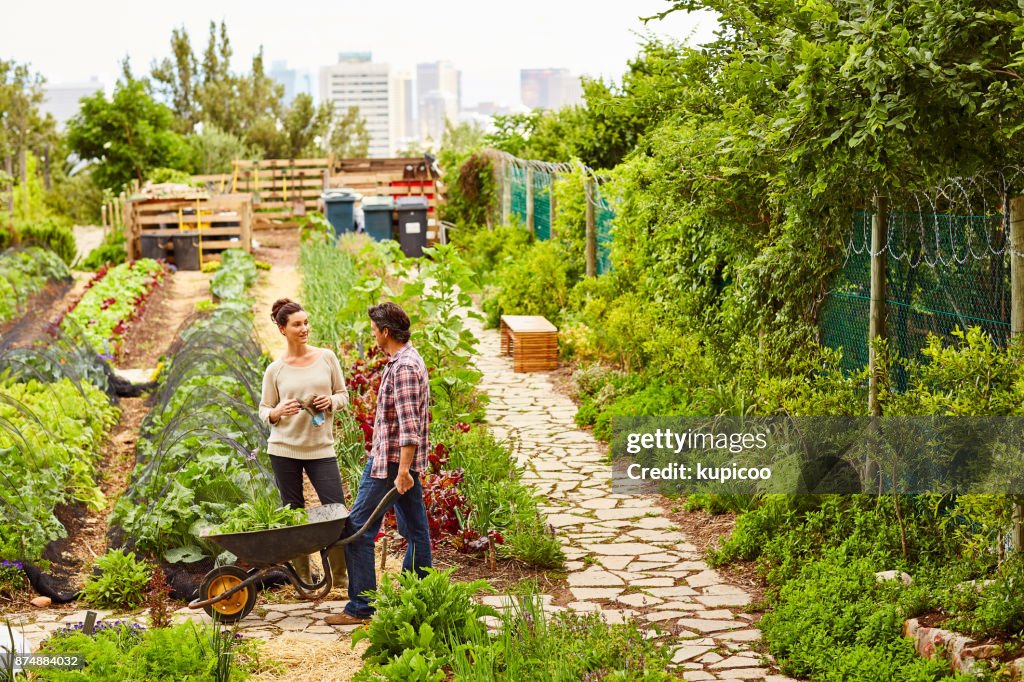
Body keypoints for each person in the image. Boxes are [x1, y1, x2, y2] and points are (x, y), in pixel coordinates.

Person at [325, 301, 432, 625]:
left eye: (374, 331)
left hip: (391, 464)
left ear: (386, 332)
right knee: (416, 531)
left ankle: (361, 608)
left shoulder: (404, 368)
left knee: (358, 529)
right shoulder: (404, 360)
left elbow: (409, 426)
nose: (372, 336)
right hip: (397, 463)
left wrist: (403, 471)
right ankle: (419, 598)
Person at [259, 298, 349, 591]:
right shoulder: (275, 370)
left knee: (336, 510)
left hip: (320, 448)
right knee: (294, 513)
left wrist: (330, 401)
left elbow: (343, 395)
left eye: (306, 323)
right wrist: (277, 412)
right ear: (282, 329)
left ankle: (339, 579)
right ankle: (304, 581)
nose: (304, 328)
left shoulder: (326, 358)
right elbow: (264, 410)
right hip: (284, 449)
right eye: (297, 324)